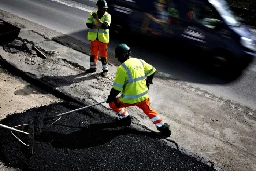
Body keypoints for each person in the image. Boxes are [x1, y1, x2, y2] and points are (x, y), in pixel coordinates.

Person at [106, 43, 171, 137]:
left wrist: (111, 98)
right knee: (149, 111)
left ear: (123, 55)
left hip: (128, 100)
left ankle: (125, 119)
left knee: (113, 104)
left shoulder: (122, 68)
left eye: (118, 56)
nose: (118, 59)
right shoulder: (139, 61)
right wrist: (148, 82)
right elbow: (152, 70)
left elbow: (116, 88)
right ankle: (164, 129)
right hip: (143, 97)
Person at [86, 0, 111, 77]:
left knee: (103, 55)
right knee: (93, 54)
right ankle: (92, 68)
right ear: (99, 8)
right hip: (94, 39)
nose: (105, 10)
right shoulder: (92, 14)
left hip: (103, 39)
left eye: (105, 8)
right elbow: (88, 24)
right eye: (103, 8)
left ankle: (105, 70)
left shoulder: (107, 16)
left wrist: (96, 19)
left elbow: (106, 26)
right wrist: (99, 26)